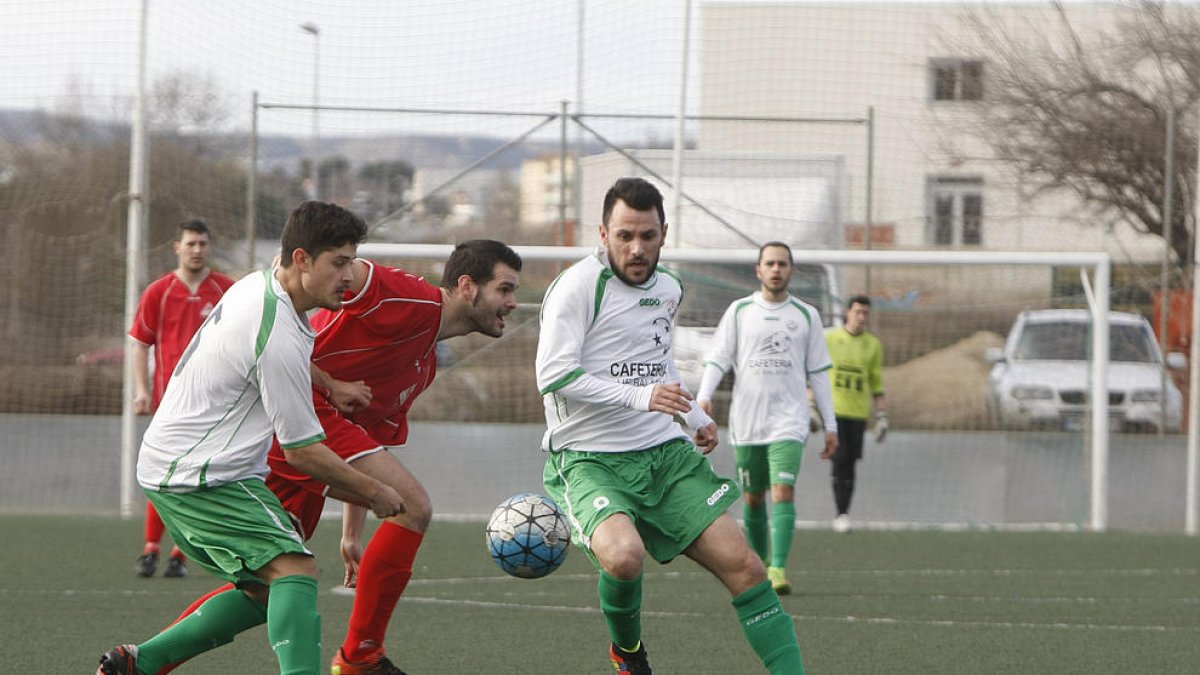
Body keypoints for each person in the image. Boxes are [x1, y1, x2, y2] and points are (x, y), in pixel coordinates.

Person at [155, 239, 523, 675]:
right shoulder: (412, 299)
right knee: (413, 506)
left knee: (267, 587)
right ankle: (360, 656)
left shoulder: (424, 365)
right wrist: (297, 268)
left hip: (308, 439)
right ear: (467, 286)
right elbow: (350, 274)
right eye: (504, 289)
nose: (513, 303)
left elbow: (366, 439)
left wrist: (352, 533)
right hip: (299, 422)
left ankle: (140, 662)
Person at [97, 201, 406, 675]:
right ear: (303, 259)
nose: (350, 275)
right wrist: (376, 491)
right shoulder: (276, 329)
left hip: (181, 465)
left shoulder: (258, 286)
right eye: (339, 263)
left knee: (266, 588)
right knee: (295, 570)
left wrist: (330, 384)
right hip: (202, 475)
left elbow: (279, 357)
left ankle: (142, 664)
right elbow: (303, 452)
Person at [537, 177, 807, 674]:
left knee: (746, 568)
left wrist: (695, 415)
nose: (637, 248)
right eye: (624, 236)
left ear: (664, 232)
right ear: (603, 233)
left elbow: (657, 363)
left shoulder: (669, 287)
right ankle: (629, 652)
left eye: (647, 235)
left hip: (665, 455)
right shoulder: (575, 287)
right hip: (591, 459)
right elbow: (553, 375)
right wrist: (641, 398)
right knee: (623, 557)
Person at [695, 242, 838, 596]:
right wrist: (704, 396)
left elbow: (819, 373)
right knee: (754, 499)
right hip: (748, 423)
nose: (776, 269)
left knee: (783, 491)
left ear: (791, 270)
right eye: (770, 263)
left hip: (789, 421)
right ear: (759, 270)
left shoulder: (806, 315)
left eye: (783, 264)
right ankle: (759, 564)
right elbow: (718, 358)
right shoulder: (740, 311)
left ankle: (778, 568)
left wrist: (832, 425)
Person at [129, 219, 235, 579]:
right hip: (168, 404)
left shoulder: (226, 290)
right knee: (163, 477)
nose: (197, 250)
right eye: (190, 243)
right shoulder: (158, 292)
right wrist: (142, 390)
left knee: (201, 480)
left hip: (215, 406)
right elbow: (140, 342)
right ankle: (151, 549)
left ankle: (180, 555)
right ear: (177, 247)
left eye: (203, 244)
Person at [824, 294, 886, 533]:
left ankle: (844, 513)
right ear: (848, 312)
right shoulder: (831, 339)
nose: (861, 317)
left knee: (850, 464)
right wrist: (812, 404)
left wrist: (881, 415)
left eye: (865, 313)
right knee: (839, 460)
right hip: (834, 412)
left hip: (858, 414)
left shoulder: (873, 345)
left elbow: (876, 382)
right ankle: (840, 512)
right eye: (857, 311)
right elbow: (817, 374)